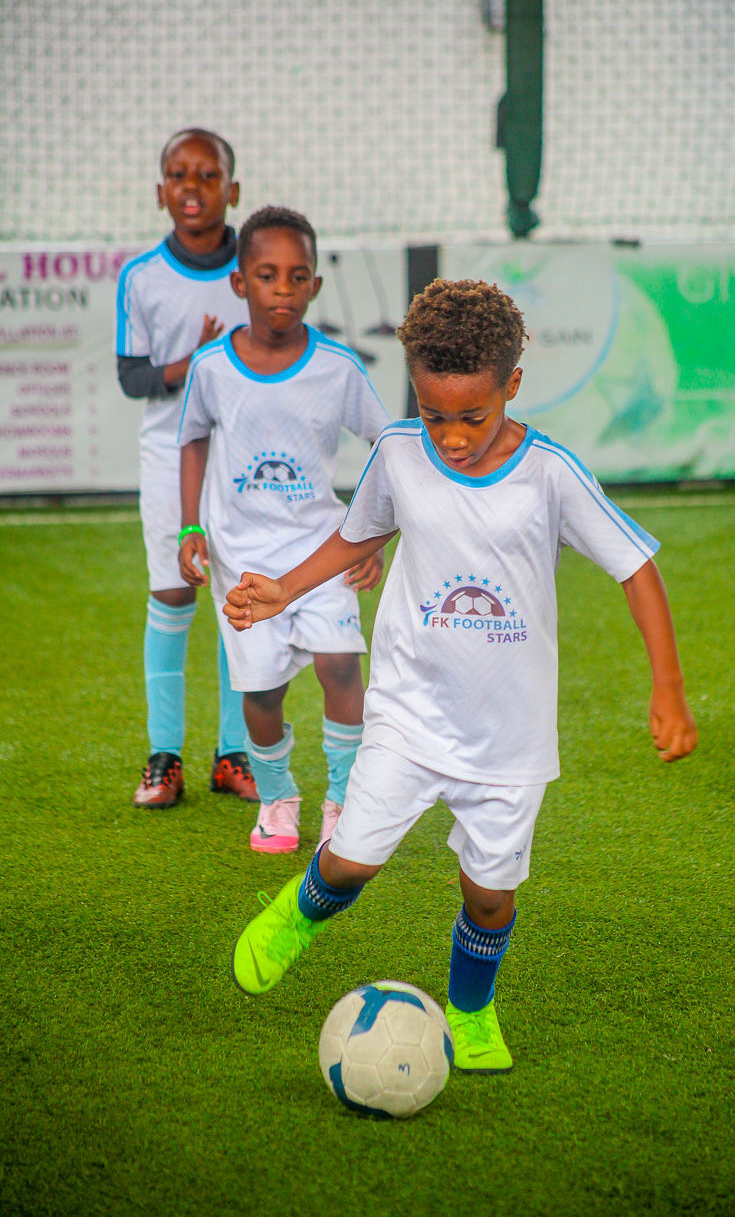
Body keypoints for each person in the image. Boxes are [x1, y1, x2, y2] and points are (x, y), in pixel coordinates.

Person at [223, 278, 698, 1073]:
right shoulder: (398, 453)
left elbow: (636, 567)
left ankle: (471, 1013)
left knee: (490, 896)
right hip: (409, 712)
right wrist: (283, 590)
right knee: (351, 861)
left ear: (513, 385)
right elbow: (358, 535)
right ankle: (299, 915)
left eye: (471, 417)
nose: (448, 437)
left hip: (509, 738)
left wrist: (669, 688)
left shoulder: (550, 473)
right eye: (432, 413)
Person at [178, 206, 390, 853]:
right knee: (263, 691)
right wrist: (189, 527)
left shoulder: (339, 367)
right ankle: (277, 798)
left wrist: (374, 538)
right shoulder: (211, 367)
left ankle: (344, 801)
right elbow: (191, 440)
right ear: (240, 282)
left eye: (299, 277)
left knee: (341, 666)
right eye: (267, 275)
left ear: (315, 286)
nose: (283, 290)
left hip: (322, 551)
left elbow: (389, 449)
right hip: (242, 560)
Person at [116, 127, 257, 809]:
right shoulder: (141, 277)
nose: (192, 187)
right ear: (160, 192)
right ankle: (163, 757)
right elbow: (132, 377)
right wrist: (192, 363)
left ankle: (234, 755)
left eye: (207, 175)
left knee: (240, 600)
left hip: (246, 460)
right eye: (178, 175)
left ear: (233, 190)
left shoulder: (258, 269)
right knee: (173, 593)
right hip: (169, 454)